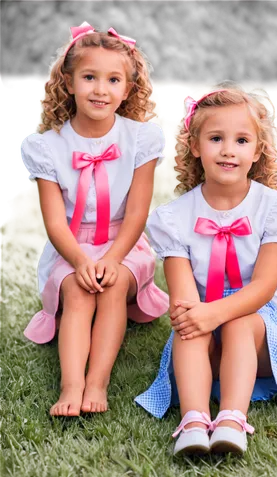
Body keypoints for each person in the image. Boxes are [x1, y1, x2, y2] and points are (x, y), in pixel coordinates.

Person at [134, 85, 277, 456]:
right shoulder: (173, 219)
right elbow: (185, 300)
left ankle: (233, 421)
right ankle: (193, 420)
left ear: (257, 150)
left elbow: (265, 286)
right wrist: (200, 315)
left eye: (241, 140)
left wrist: (216, 312)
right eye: (216, 138)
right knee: (187, 325)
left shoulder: (274, 209)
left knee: (238, 321)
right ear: (195, 146)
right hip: (205, 335)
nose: (227, 150)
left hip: (263, 332)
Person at [18, 21, 169, 417]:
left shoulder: (141, 139)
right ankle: (71, 385)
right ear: (68, 83)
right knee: (80, 292)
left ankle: (97, 383)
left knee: (113, 285)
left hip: (124, 242)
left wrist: (113, 258)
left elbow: (137, 212)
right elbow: (53, 222)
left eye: (113, 79)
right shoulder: (48, 148)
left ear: (127, 88)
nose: (100, 89)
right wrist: (82, 261)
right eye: (89, 77)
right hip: (72, 244)